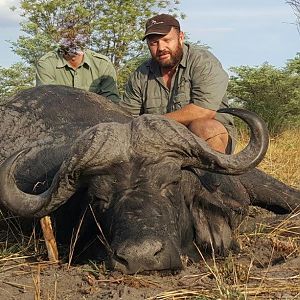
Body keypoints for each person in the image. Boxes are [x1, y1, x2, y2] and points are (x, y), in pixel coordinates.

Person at [120, 14, 236, 153]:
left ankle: (216, 174)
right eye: (154, 43)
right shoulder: (140, 74)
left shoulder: (203, 62)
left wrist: (151, 122)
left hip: (203, 136)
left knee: (205, 127)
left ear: (181, 37)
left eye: (167, 40)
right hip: (158, 138)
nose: (161, 47)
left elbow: (203, 112)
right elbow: (125, 118)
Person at [36, 35, 120, 103]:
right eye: (67, 36)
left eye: (77, 36)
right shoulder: (46, 63)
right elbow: (47, 102)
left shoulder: (102, 64)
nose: (72, 42)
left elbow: (111, 103)